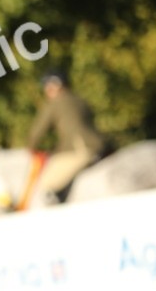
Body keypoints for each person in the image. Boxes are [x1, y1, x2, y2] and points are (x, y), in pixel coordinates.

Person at [25, 70, 108, 199]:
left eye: (47, 86)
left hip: (79, 150)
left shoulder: (55, 103)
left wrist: (31, 148)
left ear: (55, 86)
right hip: (102, 146)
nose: (46, 91)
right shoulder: (80, 100)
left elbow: (37, 132)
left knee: (46, 184)